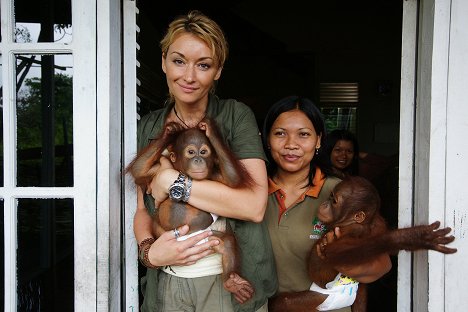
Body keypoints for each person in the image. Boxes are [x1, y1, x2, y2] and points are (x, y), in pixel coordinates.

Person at [133, 10, 277, 312]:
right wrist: (149, 253)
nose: (188, 76)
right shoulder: (149, 126)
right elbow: (141, 209)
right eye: (178, 60)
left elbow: (252, 206)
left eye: (203, 65)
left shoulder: (234, 116)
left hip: (227, 283)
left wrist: (170, 180)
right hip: (168, 281)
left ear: (218, 71)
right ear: (163, 61)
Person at [261, 96, 392, 311]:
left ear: (319, 140)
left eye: (303, 134)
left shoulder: (341, 193)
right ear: (267, 138)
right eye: (280, 133)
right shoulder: (251, 192)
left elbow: (381, 265)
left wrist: (342, 256)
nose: (291, 144)